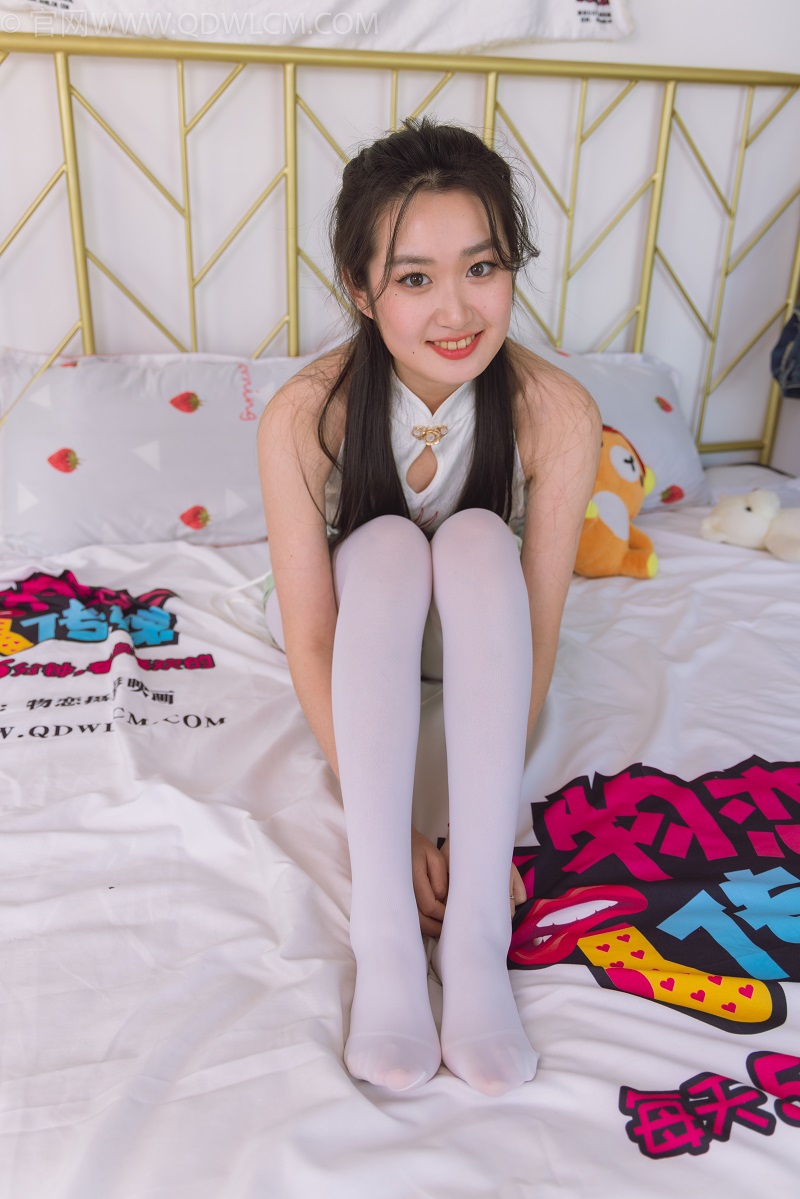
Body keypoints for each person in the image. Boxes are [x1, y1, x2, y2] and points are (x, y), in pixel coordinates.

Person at [257, 118, 601, 1097]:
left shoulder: (556, 412)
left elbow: (537, 629)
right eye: (414, 278)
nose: (456, 310)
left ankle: (478, 937)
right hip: (358, 636)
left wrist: (465, 836)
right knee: (386, 546)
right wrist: (402, 831)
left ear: (512, 266)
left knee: (479, 538)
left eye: (481, 267)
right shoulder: (306, 414)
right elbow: (311, 635)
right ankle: (386, 939)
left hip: (480, 638)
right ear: (361, 289)